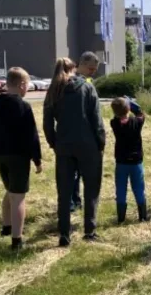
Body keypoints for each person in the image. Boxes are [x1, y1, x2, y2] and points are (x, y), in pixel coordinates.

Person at [43, 57, 106, 247]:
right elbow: (97, 119)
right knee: (91, 188)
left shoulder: (53, 90)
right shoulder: (87, 88)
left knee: (64, 191)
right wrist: (101, 142)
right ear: (74, 69)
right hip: (88, 146)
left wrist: (54, 143)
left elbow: (47, 123)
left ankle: (64, 233)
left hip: (64, 146)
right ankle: (90, 230)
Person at [0, 67, 43, 251]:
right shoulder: (23, 106)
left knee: (10, 190)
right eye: (27, 85)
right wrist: (37, 159)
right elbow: (31, 135)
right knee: (18, 197)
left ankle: (6, 226)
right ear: (22, 85)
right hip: (18, 156)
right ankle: (17, 240)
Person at [70, 52, 102, 213]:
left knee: (77, 173)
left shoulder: (87, 81)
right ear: (81, 64)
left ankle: (75, 201)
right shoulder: (69, 82)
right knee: (73, 173)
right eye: (90, 68)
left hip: (79, 136)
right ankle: (73, 202)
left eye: (95, 70)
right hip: (78, 137)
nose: (92, 72)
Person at [110, 97, 148, 223]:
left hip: (121, 161)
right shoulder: (136, 122)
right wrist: (132, 104)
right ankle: (143, 216)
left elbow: (118, 116)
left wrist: (124, 105)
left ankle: (121, 218)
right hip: (136, 161)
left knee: (121, 188)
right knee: (139, 188)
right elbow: (141, 114)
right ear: (128, 109)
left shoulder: (114, 123)